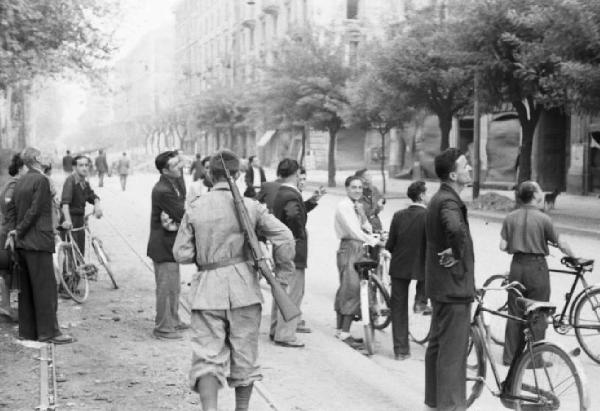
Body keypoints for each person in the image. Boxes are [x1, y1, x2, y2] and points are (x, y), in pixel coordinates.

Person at [173, 149, 295, 411]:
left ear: (208, 173)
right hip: (245, 291)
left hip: (207, 291)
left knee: (207, 358)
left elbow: (181, 254)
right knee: (245, 357)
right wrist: (283, 274)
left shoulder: (195, 206)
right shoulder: (252, 207)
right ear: (238, 174)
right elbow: (285, 236)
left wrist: (206, 252)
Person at [501, 181, 575, 366]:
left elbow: (502, 245)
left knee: (515, 311)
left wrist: (518, 244)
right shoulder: (543, 219)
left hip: (517, 266)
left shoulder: (510, 217)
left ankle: (509, 357)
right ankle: (535, 359)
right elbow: (562, 244)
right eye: (540, 190)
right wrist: (575, 258)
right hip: (537, 268)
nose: (543, 193)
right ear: (534, 195)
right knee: (538, 312)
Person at [5, 147, 74, 344]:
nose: (48, 155)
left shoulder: (21, 181)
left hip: (23, 243)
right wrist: (19, 230)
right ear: (36, 159)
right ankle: (49, 333)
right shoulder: (42, 180)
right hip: (38, 241)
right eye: (44, 154)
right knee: (45, 289)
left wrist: (14, 232)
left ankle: (28, 331)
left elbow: (11, 211)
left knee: (26, 289)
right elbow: (35, 211)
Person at [424, 148, 474, 411]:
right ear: (454, 174)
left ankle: (434, 404)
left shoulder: (438, 198)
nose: (470, 169)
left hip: (441, 286)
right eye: (466, 166)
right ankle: (450, 407)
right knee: (452, 354)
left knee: (438, 347)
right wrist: (456, 253)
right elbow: (455, 228)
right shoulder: (449, 202)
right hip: (454, 287)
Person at [269, 159, 314, 347]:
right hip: (293, 247)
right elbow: (294, 217)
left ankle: (275, 329)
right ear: (296, 174)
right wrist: (299, 234)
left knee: (281, 289)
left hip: (281, 245)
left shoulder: (281, 192)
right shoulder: (290, 194)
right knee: (293, 292)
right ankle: (285, 333)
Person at [385, 180, 430, 361]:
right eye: (427, 193)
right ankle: (421, 300)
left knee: (398, 308)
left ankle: (401, 350)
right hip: (421, 267)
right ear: (421, 196)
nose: (429, 197)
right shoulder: (429, 216)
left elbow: (390, 245)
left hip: (399, 266)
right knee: (427, 277)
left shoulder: (398, 215)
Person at [334, 175, 380, 349]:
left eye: (360, 188)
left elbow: (366, 227)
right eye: (354, 187)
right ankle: (344, 333)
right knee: (351, 288)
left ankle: (341, 330)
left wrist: (362, 215)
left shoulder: (356, 206)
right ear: (347, 189)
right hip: (350, 247)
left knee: (347, 288)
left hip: (357, 246)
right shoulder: (344, 206)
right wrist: (375, 241)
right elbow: (355, 232)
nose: (357, 191)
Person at [146, 151, 188, 340]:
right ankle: (163, 327)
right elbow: (182, 213)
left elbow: (183, 193)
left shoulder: (174, 181)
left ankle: (174, 319)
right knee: (165, 287)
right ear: (164, 170)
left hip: (171, 243)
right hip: (163, 245)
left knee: (174, 287)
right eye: (175, 166)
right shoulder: (162, 190)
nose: (180, 168)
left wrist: (180, 160)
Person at [0, 153, 27, 321]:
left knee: (6, 270)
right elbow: (9, 205)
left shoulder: (10, 184)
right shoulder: (14, 185)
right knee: (7, 269)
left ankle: (6, 306)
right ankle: (5, 306)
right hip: (7, 232)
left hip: (5, 229)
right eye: (26, 167)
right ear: (20, 168)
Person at [60, 155, 102, 256]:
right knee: (72, 256)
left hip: (80, 221)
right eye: (81, 165)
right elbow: (65, 204)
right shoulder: (70, 181)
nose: (84, 168)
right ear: (74, 167)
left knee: (80, 253)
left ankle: (79, 270)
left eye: (86, 165)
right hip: (69, 220)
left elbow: (92, 196)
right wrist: (68, 222)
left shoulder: (84, 182)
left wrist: (97, 204)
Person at [355, 168, 385, 233]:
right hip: (362, 225)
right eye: (367, 175)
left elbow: (380, 200)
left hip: (376, 223)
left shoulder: (374, 189)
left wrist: (381, 205)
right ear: (361, 178)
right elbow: (363, 211)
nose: (371, 177)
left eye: (370, 175)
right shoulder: (357, 193)